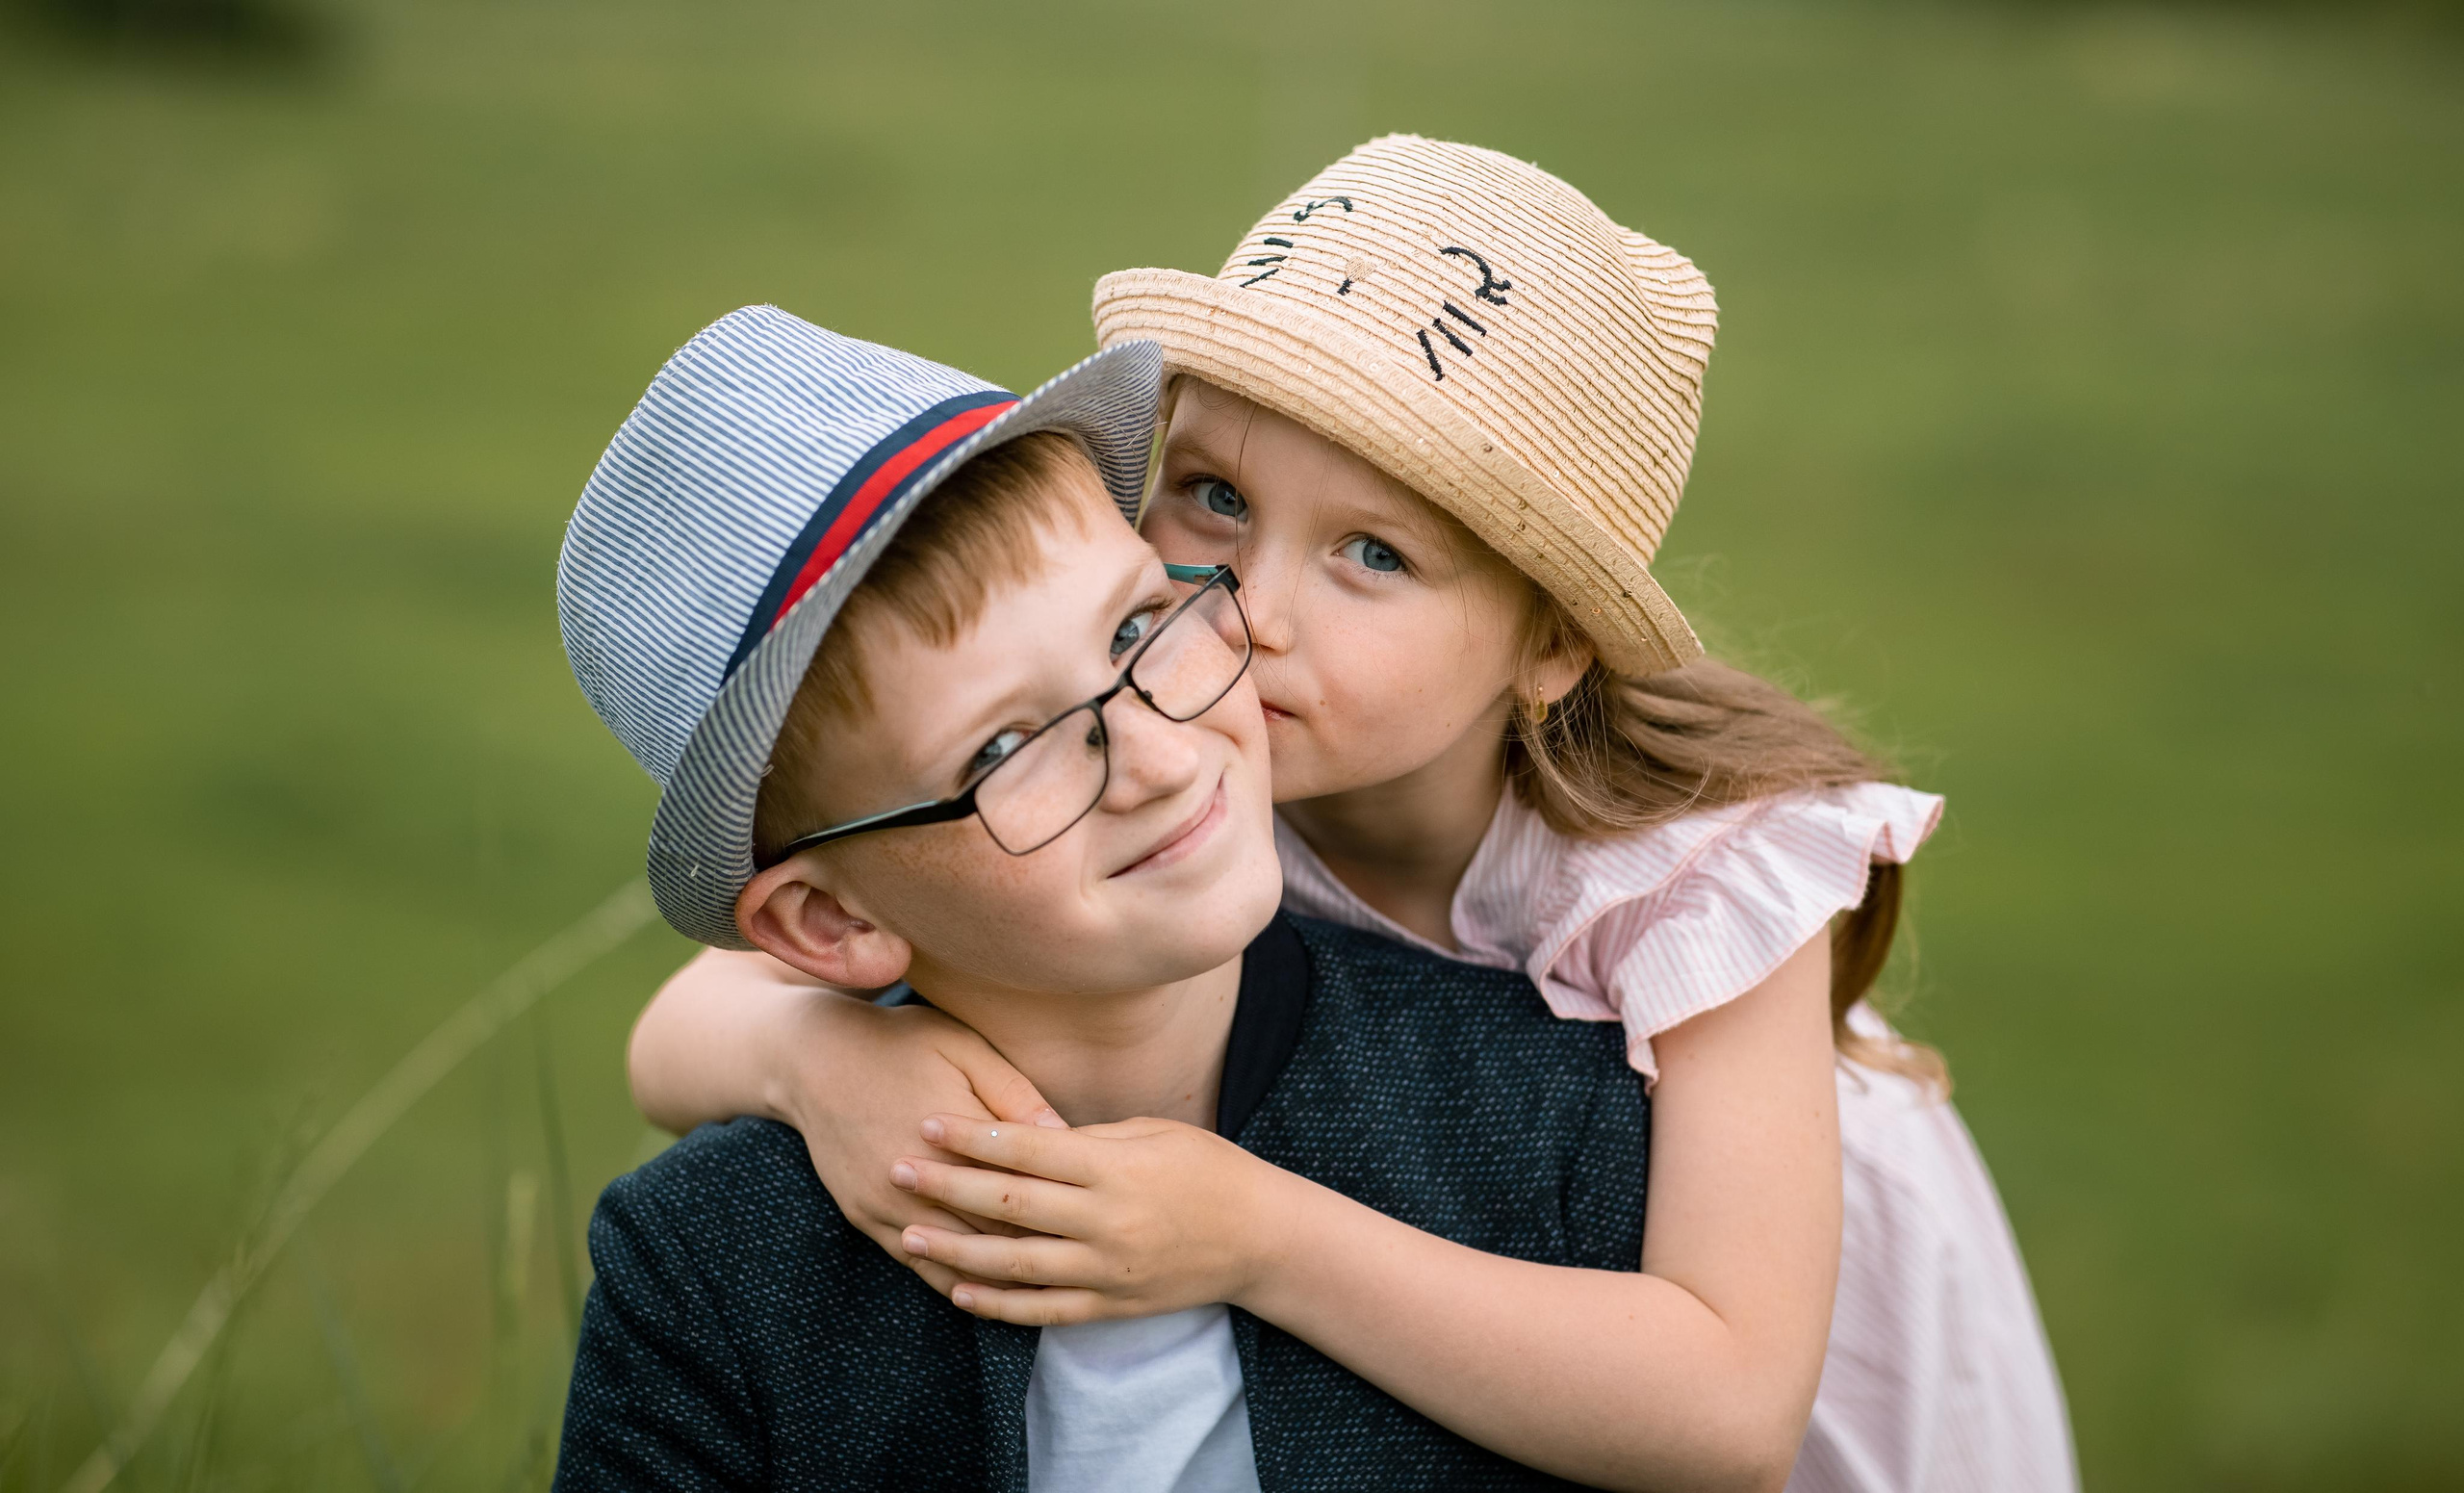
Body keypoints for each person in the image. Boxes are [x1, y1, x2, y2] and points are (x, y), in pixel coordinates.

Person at [630, 138, 2077, 1492]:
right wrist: (824, 1061)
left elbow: (1728, 1410)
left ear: (1549, 642)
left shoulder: (1694, 875)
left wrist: (1254, 1233)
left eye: (1373, 554)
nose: (1250, 607)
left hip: (1764, 1362)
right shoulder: (1191, 774)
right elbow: (682, 1026)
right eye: (1213, 495)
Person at [552, 306, 1680, 1491]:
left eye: (1138, 627)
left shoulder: (1551, 1126)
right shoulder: (707, 1272)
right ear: (830, 924)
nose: (1156, 756)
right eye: (1002, 749)